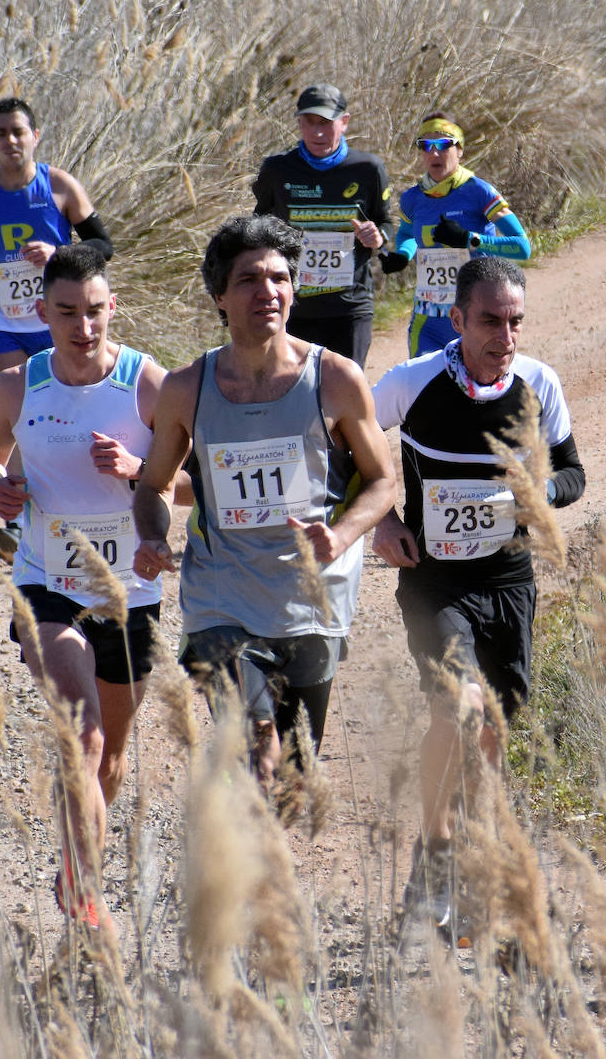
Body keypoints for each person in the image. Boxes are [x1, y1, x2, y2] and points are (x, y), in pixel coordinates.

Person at [132, 215, 396, 790]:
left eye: (279, 277)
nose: (267, 291)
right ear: (220, 296)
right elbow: (152, 486)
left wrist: (342, 536)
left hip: (311, 602)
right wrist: (153, 536)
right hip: (221, 598)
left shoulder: (337, 380)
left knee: (296, 780)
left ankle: (261, 868)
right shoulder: (186, 388)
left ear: (295, 289)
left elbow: (382, 481)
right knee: (258, 746)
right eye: (249, 279)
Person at [371, 256, 583, 927]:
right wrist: (382, 521)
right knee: (456, 709)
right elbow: (340, 445)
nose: (505, 335)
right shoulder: (411, 382)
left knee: (490, 731)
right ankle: (436, 852)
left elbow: (575, 474)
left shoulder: (539, 384)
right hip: (435, 583)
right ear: (456, 318)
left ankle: (468, 861)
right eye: (490, 320)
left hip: (510, 583)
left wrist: (536, 494)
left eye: (515, 321)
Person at [0, 245, 168, 932]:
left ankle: (79, 865)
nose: (84, 327)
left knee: (110, 755)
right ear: (41, 313)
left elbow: (199, 483)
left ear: (114, 309)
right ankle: (88, 898)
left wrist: (141, 469)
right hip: (48, 580)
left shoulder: (148, 386)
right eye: (67, 313)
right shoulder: (21, 386)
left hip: (130, 593)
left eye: (95, 312)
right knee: (80, 732)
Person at [0, 97, 115, 563]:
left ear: (35, 136)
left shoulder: (58, 185)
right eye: (1, 133)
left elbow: (103, 244)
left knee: (58, 412)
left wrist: (57, 255)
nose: (11, 140)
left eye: (19, 131)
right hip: (2, 321)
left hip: (57, 321)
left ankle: (78, 502)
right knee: (18, 413)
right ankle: (17, 524)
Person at [252, 83, 391, 368]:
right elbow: (259, 226)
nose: (317, 133)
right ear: (299, 123)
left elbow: (386, 221)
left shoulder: (368, 169)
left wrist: (377, 237)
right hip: (295, 306)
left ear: (344, 122)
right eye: (309, 123)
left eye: (326, 123)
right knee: (294, 394)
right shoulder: (277, 170)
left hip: (350, 306)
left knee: (345, 395)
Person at [378, 114, 531, 358]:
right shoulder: (412, 198)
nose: (434, 153)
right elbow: (407, 233)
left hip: (476, 315)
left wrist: (470, 239)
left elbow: (523, 247)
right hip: (428, 316)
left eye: (444, 145)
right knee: (425, 389)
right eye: (426, 146)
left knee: (475, 391)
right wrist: (403, 255)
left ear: (460, 150)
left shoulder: (479, 191)